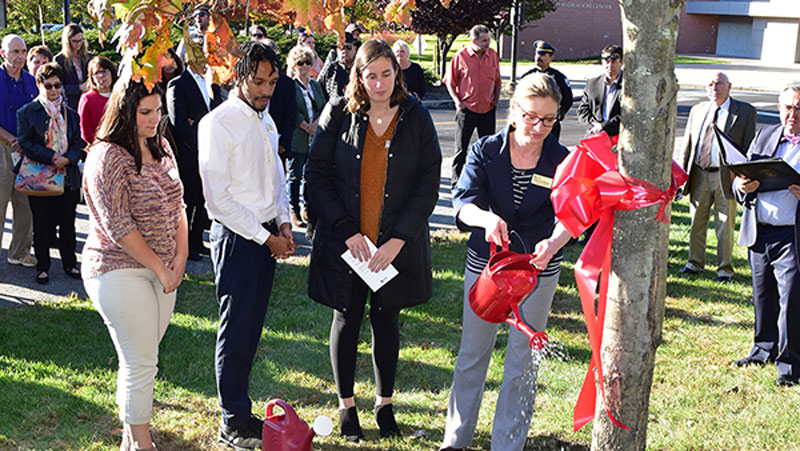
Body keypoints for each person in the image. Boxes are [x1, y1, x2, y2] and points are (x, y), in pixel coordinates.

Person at [305, 39, 441, 442]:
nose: (379, 84)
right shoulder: (338, 111)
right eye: (370, 76)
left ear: (396, 73)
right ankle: (347, 407)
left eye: (386, 74)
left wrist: (399, 240)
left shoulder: (415, 116)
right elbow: (317, 175)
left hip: (392, 247)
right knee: (345, 319)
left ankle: (385, 404)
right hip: (348, 244)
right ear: (358, 77)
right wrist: (347, 231)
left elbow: (428, 183)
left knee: (387, 319)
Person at [440, 72, 571, 451]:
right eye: (531, 116)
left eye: (548, 120)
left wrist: (555, 240)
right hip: (488, 271)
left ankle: (507, 445)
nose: (539, 127)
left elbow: (572, 215)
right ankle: (455, 440)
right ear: (513, 111)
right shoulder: (485, 150)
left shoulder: (561, 160)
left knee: (523, 363)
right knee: (472, 355)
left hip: (537, 271)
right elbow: (462, 203)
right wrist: (487, 218)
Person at [198, 40, 295, 450]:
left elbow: (277, 175)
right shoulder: (217, 123)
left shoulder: (266, 119)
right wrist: (267, 237)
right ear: (238, 77)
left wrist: (285, 223)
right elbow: (217, 200)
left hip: (268, 234)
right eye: (258, 81)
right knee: (236, 329)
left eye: (272, 81)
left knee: (251, 328)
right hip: (238, 239)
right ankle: (232, 421)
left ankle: (241, 411)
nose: (266, 90)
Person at [82, 77, 188, 451]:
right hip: (116, 268)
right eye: (145, 112)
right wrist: (161, 269)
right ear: (125, 111)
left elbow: (179, 205)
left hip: (162, 268)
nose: (154, 119)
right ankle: (143, 444)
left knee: (141, 358)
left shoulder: (161, 146)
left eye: (158, 111)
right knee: (142, 361)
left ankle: (130, 439)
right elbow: (118, 225)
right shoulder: (107, 155)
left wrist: (179, 257)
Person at [732, 81, 800, 387]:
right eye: (788, 107)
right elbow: (742, 175)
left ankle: (789, 365)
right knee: (763, 295)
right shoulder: (765, 134)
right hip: (759, 231)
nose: (792, 114)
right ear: (779, 108)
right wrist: (741, 188)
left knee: (792, 300)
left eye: (799, 108)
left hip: (792, 235)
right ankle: (763, 349)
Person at [675, 72, 756, 283]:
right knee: (696, 222)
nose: (714, 88)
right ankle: (694, 263)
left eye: (719, 84)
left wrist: (741, 177)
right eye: (710, 84)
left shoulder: (745, 112)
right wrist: (682, 176)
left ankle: (724, 270)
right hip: (699, 173)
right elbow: (689, 145)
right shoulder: (698, 110)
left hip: (726, 176)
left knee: (724, 224)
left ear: (729, 86)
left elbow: (748, 148)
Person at [16, 62, 85, 284]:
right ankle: (43, 266)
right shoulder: (27, 112)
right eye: (48, 85)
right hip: (40, 177)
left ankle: (70, 264)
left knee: (68, 224)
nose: (54, 90)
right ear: (39, 85)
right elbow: (25, 142)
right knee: (42, 224)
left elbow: (78, 142)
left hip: (67, 175)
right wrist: (50, 156)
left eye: (57, 85)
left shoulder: (71, 114)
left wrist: (68, 158)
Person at [167, 60, 222, 261]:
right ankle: (184, 246)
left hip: (211, 152)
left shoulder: (212, 83)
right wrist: (199, 143)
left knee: (203, 199)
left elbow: (218, 113)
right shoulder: (178, 84)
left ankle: (197, 241)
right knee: (188, 201)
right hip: (190, 154)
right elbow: (178, 121)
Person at [444, 24, 501, 189]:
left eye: (488, 40)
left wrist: (496, 98)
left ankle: (486, 182)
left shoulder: (493, 55)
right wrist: (458, 102)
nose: (488, 43)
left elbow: (497, 81)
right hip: (467, 110)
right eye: (484, 41)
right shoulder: (461, 56)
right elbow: (450, 82)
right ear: (474, 41)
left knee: (488, 150)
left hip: (488, 109)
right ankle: (456, 184)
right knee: (461, 149)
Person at [0, 34, 37, 269]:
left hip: (26, 151)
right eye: (15, 52)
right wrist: (10, 138)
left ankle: (19, 251)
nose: (20, 57)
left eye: (23, 51)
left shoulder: (31, 81)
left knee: (26, 206)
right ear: (3, 53)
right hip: (2, 148)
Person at [287, 45, 326, 228]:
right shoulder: (290, 86)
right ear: (294, 65)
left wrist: (316, 124)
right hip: (298, 136)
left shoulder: (316, 85)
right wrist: (304, 125)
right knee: (295, 175)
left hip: (314, 136)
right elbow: (291, 110)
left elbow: (324, 106)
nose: (304, 66)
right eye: (300, 63)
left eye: (307, 63)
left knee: (310, 175)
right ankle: (293, 209)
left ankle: (307, 207)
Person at [519, 40, 573, 139]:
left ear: (551, 57)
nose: (539, 57)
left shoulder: (559, 78)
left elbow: (567, 99)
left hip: (549, 124)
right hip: (531, 123)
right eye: (537, 53)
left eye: (543, 54)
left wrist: (557, 115)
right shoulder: (527, 77)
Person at [260, 39, 296, 160]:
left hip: (278, 138)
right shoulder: (252, 81)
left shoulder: (286, 83)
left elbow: (291, 115)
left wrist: (283, 142)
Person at [577, 44, 623, 137]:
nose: (610, 65)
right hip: (595, 137)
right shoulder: (592, 84)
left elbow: (629, 115)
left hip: (618, 138)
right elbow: (582, 111)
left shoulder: (629, 86)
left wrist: (604, 126)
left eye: (614, 61)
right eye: (606, 61)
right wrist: (594, 126)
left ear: (621, 62)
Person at [78, 56, 118, 146]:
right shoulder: (87, 99)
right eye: (96, 73)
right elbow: (85, 132)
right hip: (98, 148)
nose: (101, 76)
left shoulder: (121, 96)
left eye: (104, 71)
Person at [54, 24, 93, 111]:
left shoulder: (88, 57)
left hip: (88, 101)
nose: (78, 44)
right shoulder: (60, 60)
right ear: (67, 41)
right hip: (70, 104)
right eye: (74, 41)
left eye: (81, 40)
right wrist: (78, 88)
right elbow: (59, 86)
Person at [318, 32, 359, 100]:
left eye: (348, 47)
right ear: (337, 50)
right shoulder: (330, 68)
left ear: (355, 48)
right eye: (341, 47)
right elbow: (318, 90)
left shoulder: (361, 69)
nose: (344, 50)